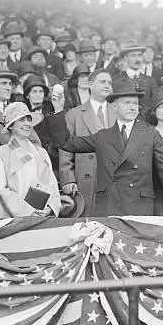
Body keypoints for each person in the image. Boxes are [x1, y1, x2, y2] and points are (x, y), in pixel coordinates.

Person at [49, 78, 163, 223]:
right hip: (109, 206)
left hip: (140, 207)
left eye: (135, 103)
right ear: (114, 107)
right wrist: (59, 110)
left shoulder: (150, 134)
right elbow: (67, 143)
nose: (132, 107)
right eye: (127, 103)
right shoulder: (103, 136)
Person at [59, 69, 115, 216]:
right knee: (85, 219)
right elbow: (65, 148)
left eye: (109, 82)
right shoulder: (74, 114)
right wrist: (67, 179)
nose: (107, 85)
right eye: (102, 82)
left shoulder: (118, 112)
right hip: (85, 177)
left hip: (113, 179)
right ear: (90, 84)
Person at [0, 102, 61, 218]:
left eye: (29, 120)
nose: (27, 124)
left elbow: (52, 184)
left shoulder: (41, 152)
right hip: (14, 220)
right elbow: (2, 190)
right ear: (11, 125)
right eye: (21, 120)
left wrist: (50, 208)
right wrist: (28, 212)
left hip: (43, 217)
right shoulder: (1, 153)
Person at [110, 41, 158, 113]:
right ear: (125, 59)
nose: (137, 59)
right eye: (133, 56)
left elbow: (155, 103)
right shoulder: (116, 79)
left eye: (139, 55)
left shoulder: (150, 81)